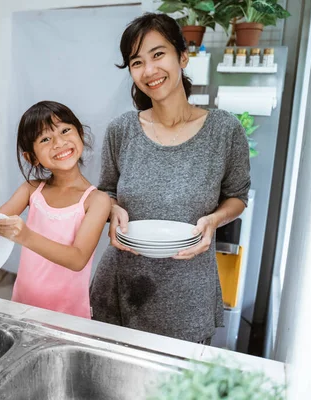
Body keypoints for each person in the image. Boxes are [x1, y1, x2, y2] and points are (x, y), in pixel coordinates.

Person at [89, 13, 251, 344]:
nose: (149, 70)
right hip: (121, 287)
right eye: (137, 62)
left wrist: (215, 220)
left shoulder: (224, 130)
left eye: (158, 54)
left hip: (188, 293)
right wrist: (110, 210)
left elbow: (238, 197)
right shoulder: (121, 130)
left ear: (183, 56)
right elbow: (105, 190)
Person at [0, 101, 111, 318]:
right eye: (45, 139)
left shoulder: (97, 200)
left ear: (80, 134)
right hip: (22, 307)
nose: (59, 142)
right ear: (32, 157)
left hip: (69, 317)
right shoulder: (31, 190)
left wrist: (26, 236)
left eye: (65, 130)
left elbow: (77, 259)